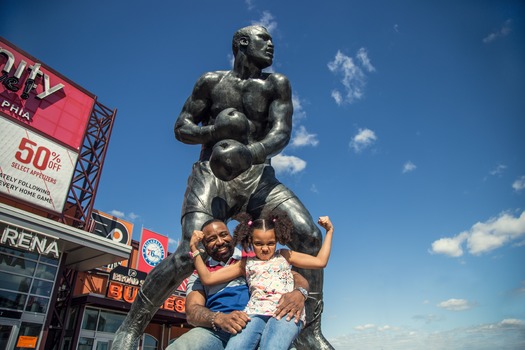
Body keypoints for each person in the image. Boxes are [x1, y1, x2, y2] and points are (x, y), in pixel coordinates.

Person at [112, 25, 333, 349]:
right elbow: (181, 127)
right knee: (190, 250)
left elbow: (281, 132)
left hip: (258, 175)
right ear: (243, 43)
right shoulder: (211, 82)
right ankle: (130, 329)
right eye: (264, 40)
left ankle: (308, 334)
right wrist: (216, 131)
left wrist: (251, 152)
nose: (272, 46)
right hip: (211, 175)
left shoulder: (276, 84)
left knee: (308, 234)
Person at [190, 212, 334, 350]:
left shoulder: (284, 256)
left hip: (284, 312)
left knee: (271, 347)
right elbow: (207, 278)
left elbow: (320, 261)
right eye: (259, 244)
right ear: (250, 241)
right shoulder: (245, 264)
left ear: (277, 240)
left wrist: (329, 232)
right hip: (254, 314)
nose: (265, 248)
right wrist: (194, 248)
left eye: (271, 243)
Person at [166, 218, 309, 349]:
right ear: (204, 244)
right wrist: (220, 318)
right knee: (182, 346)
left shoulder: (253, 259)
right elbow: (192, 311)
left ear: (232, 235)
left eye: (223, 234)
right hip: (217, 332)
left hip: (258, 323)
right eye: (211, 239)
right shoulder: (199, 274)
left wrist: (300, 292)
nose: (220, 241)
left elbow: (294, 276)